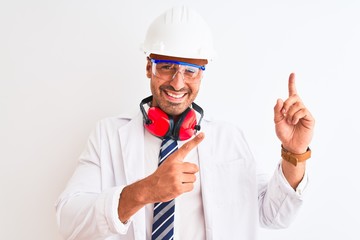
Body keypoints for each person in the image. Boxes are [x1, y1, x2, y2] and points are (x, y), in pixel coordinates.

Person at [56, 5, 315, 240]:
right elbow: (69, 222)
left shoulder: (229, 138)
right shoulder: (108, 135)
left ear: (202, 74)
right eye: (166, 66)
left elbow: (273, 215)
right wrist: (145, 191)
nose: (178, 83)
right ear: (149, 68)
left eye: (190, 70)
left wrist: (295, 152)